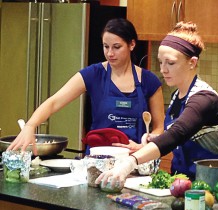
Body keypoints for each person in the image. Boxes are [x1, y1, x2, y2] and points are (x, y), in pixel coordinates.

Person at [96, 21, 218, 187]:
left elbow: (177, 134)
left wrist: (130, 162)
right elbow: (174, 136)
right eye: (161, 62)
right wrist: (148, 142)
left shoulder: (204, 99)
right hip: (181, 183)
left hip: (209, 187)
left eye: (170, 63)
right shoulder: (177, 96)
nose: (163, 70)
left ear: (192, 63)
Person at [7, 18, 165, 155]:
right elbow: (54, 102)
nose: (110, 53)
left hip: (136, 161)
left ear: (131, 44)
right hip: (98, 161)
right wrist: (30, 125)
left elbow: (159, 128)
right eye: (106, 46)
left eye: (116, 47)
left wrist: (144, 146)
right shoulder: (93, 74)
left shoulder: (149, 81)